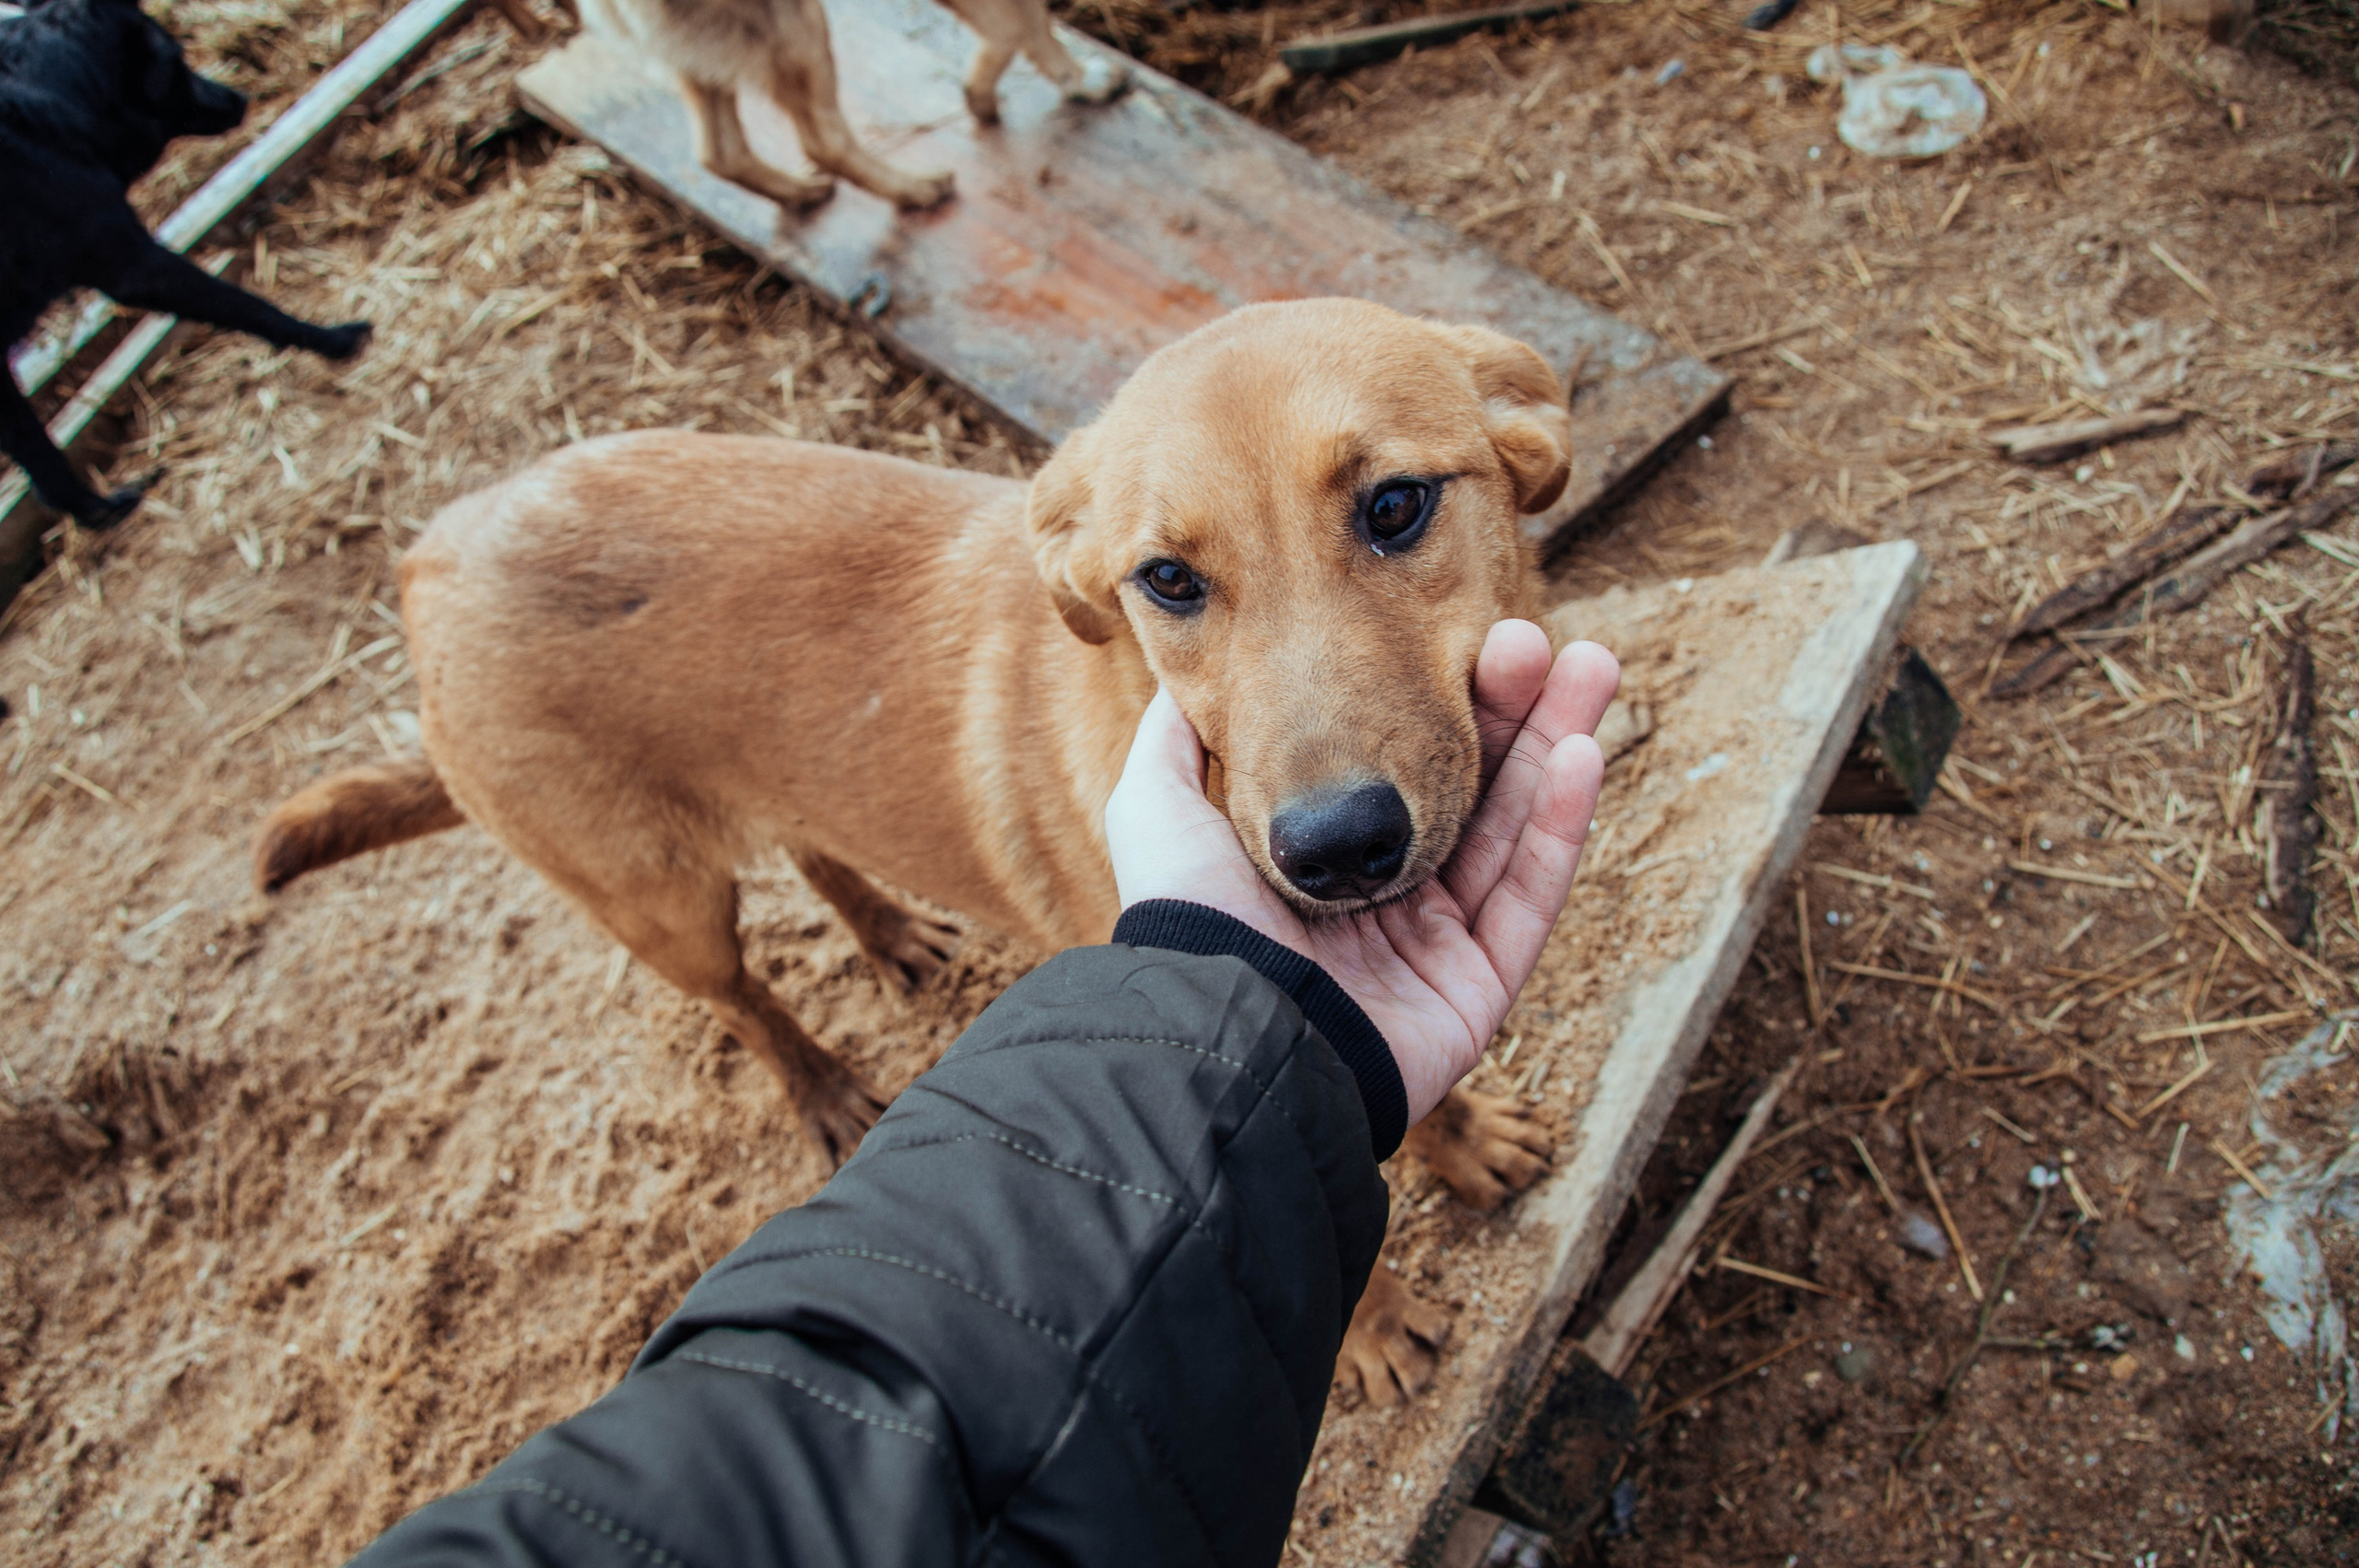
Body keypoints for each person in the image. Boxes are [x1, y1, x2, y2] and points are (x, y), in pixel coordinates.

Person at [346, 623, 1617, 1568]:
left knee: (1300, 969)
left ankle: (849, 890)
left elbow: (1291, 1010)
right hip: (563, 680)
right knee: (704, 946)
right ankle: (773, 1034)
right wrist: (1338, 1294)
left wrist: (1410, 1098)